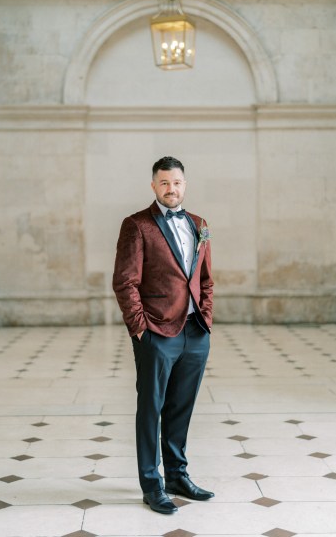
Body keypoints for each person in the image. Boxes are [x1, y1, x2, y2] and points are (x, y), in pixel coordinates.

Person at [112, 155, 214, 514]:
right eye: (165, 183)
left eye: (178, 183)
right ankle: (151, 485)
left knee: (180, 408)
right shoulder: (137, 225)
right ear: (154, 186)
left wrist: (207, 318)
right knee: (150, 408)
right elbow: (125, 282)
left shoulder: (199, 223)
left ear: (185, 185)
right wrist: (140, 329)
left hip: (194, 332)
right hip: (156, 332)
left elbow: (204, 280)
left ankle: (177, 475)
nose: (172, 189)